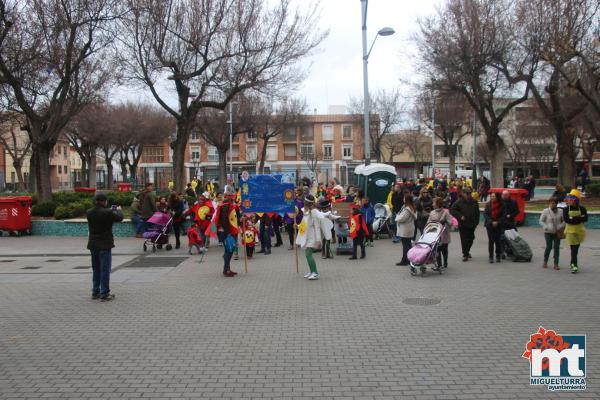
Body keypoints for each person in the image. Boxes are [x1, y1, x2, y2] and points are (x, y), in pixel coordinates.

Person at [86, 193, 123, 301]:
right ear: (104, 201)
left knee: (96, 269)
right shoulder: (108, 212)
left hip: (93, 245)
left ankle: (95, 291)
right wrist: (118, 210)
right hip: (105, 245)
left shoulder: (89, 212)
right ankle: (104, 293)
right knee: (105, 270)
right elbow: (119, 218)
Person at [297, 194, 323, 280]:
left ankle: (315, 273)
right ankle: (311, 271)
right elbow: (304, 224)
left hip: (313, 237)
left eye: (306, 202)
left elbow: (317, 226)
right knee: (307, 254)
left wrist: (318, 240)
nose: (304, 203)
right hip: (306, 236)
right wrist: (297, 226)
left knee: (308, 254)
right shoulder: (305, 211)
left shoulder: (314, 213)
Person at [450, 187, 480, 261]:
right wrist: (460, 216)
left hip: (472, 223)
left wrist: (476, 222)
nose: (468, 195)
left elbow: (477, 213)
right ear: (463, 194)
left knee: (471, 238)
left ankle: (467, 251)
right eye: (467, 193)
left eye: (469, 193)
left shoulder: (474, 201)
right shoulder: (459, 202)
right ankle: (465, 254)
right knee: (464, 239)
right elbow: (452, 210)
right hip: (463, 224)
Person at [563, 189, 588, 273]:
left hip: (579, 231)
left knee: (575, 249)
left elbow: (586, 218)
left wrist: (573, 218)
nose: (569, 200)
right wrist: (579, 218)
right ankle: (574, 265)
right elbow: (567, 220)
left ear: (575, 199)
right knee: (573, 249)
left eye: (570, 198)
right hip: (570, 232)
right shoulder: (566, 209)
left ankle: (572, 263)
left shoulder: (582, 208)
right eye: (568, 198)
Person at [539, 197, 565, 270]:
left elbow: (564, 221)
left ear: (556, 204)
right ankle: (545, 261)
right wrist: (546, 227)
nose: (552, 205)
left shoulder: (561, 211)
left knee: (557, 248)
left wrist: (561, 226)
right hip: (548, 232)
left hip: (557, 232)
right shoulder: (546, 211)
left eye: (553, 203)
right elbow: (541, 221)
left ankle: (556, 264)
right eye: (550, 203)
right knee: (549, 247)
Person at [427, 197, 453, 269]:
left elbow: (450, 222)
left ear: (438, 204)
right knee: (437, 249)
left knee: (444, 249)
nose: (432, 204)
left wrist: (445, 222)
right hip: (435, 234)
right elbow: (428, 223)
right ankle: (439, 265)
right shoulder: (432, 212)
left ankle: (445, 263)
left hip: (444, 234)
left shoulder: (446, 212)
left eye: (433, 203)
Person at [217, 195, 238, 277]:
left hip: (229, 232)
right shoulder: (225, 208)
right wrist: (228, 233)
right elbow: (224, 221)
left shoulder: (230, 207)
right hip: (225, 233)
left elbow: (233, 219)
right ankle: (226, 270)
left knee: (230, 250)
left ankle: (227, 269)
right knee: (228, 251)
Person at [395, 195, 417, 266]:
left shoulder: (407, 209)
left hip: (405, 229)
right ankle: (410, 259)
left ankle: (405, 260)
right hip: (409, 228)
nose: (403, 199)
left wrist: (397, 217)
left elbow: (402, 218)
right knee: (408, 245)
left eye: (404, 198)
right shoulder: (411, 207)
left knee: (405, 246)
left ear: (407, 200)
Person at [484, 192, 505, 264]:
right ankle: (491, 256)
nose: (492, 197)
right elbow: (486, 214)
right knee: (491, 241)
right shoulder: (488, 204)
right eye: (491, 196)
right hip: (489, 225)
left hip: (498, 225)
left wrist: (497, 222)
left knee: (498, 241)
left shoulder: (502, 205)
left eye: (493, 196)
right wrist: (491, 222)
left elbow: (503, 215)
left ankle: (498, 256)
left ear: (497, 197)